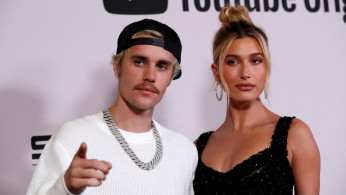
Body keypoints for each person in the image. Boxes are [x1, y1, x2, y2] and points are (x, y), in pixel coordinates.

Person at [27, 19, 198, 195]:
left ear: (171, 76)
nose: (150, 76)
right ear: (117, 66)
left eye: (162, 66)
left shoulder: (184, 150)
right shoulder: (73, 137)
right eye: (139, 62)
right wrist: (63, 188)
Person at [193, 5, 320, 195]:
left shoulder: (294, 135)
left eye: (255, 61)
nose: (245, 73)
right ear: (216, 72)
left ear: (266, 68)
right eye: (233, 62)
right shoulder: (197, 148)